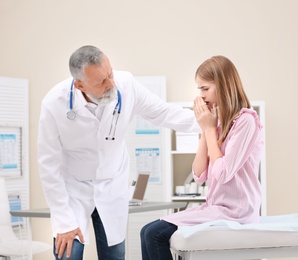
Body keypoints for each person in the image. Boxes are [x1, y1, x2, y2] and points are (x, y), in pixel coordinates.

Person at [37, 45, 200, 260]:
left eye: (110, 74)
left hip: (111, 182)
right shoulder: (53, 104)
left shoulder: (126, 85)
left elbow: (163, 113)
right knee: (69, 253)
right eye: (101, 82)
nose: (111, 84)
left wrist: (211, 123)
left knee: (114, 253)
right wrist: (64, 220)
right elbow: (48, 165)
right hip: (73, 187)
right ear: (79, 85)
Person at [140, 55, 264, 260]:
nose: (201, 95)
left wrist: (208, 130)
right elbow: (199, 174)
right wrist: (206, 128)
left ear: (224, 86)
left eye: (205, 88)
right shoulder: (217, 122)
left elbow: (222, 173)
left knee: (155, 235)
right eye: (199, 89)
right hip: (216, 207)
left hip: (237, 212)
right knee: (146, 231)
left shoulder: (246, 122)